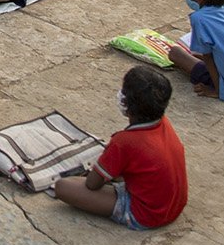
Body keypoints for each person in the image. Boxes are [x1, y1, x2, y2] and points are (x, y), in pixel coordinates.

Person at [51, 67, 186, 228]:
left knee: (63, 186)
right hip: (173, 206)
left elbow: (92, 184)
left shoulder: (124, 141)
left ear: (127, 103)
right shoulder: (163, 124)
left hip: (146, 215)